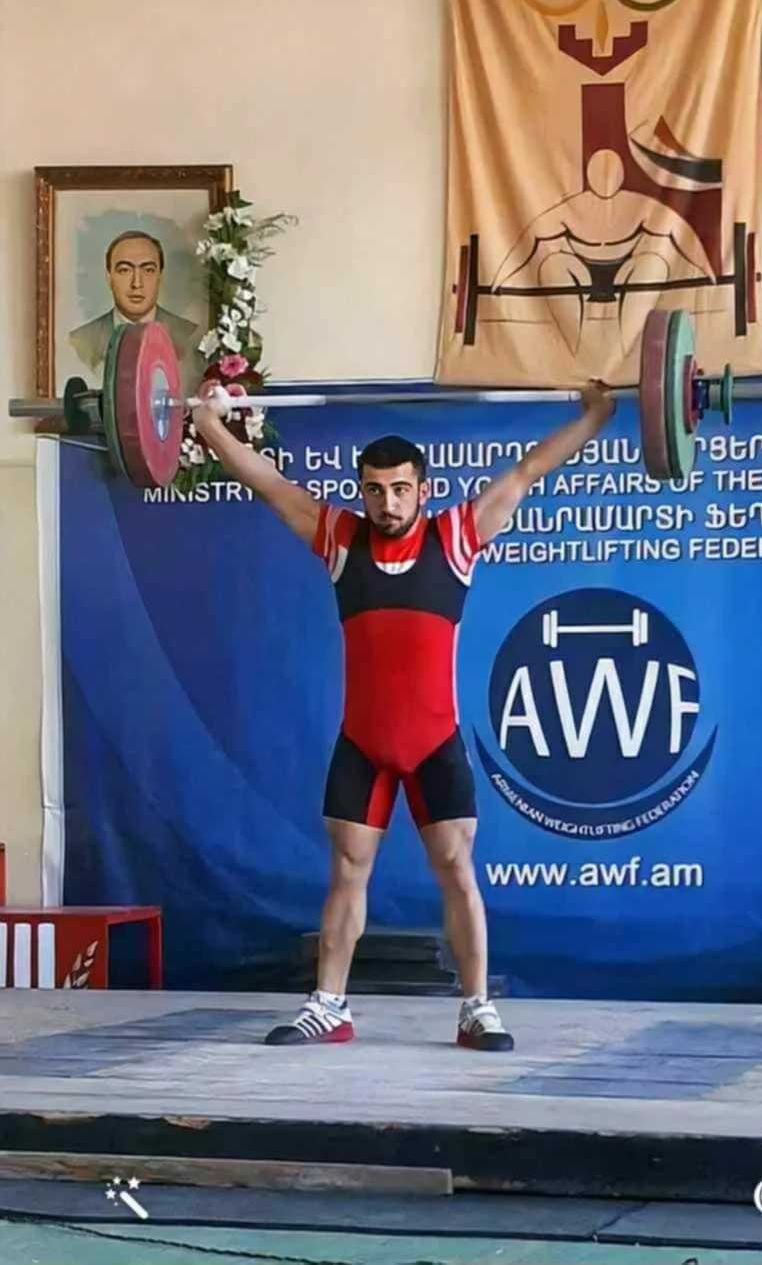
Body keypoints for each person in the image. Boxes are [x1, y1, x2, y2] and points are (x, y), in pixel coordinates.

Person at [191, 379, 616, 1050]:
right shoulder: (339, 537)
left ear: (423, 488)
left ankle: (476, 1008)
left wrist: (596, 415)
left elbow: (530, 470)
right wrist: (209, 425)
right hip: (363, 742)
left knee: (456, 868)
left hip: (434, 742)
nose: (386, 503)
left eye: (399, 489)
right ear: (361, 490)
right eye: (374, 490)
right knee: (347, 869)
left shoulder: (458, 534)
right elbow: (268, 484)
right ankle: (329, 1005)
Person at [69, 231, 199, 377]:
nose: (137, 283)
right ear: (109, 278)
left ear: (160, 277)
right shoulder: (80, 341)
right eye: (125, 270)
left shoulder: (190, 336)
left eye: (148, 270)